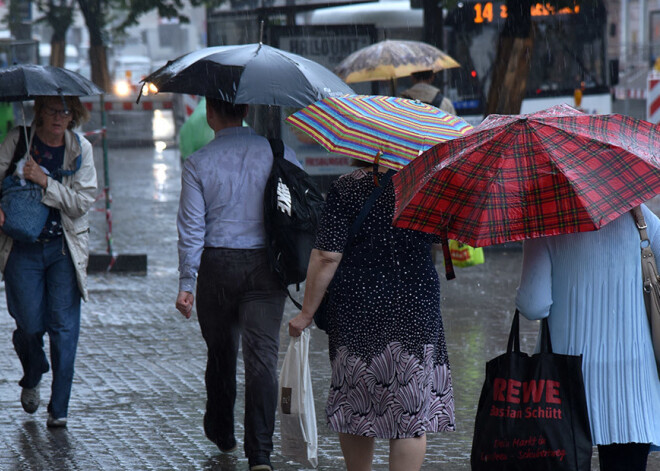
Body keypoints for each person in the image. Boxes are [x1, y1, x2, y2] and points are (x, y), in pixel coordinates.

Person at [288, 160, 455, 471]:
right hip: (415, 302)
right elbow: (441, 236)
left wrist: (306, 312)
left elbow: (326, 255)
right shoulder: (425, 182)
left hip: (359, 305)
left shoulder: (347, 187)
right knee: (409, 413)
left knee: (356, 404)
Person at [175, 97, 301, 471]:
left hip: (216, 267)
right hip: (266, 267)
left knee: (221, 350)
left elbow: (191, 229)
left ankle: (221, 429)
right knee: (262, 359)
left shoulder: (197, 163)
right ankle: (260, 453)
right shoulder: (280, 152)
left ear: (210, 114)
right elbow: (297, 209)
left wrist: (187, 281)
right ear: (247, 111)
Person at [516, 207, 660, 471]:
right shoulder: (641, 218)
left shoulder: (544, 223)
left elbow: (533, 306)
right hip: (633, 383)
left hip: (566, 381)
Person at [0, 95, 97, 428]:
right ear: (39, 112)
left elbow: (82, 202)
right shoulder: (18, 140)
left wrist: (46, 182)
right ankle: (34, 370)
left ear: (74, 115)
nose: (59, 117)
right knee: (28, 324)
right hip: (21, 248)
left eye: (66, 111)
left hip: (62, 249)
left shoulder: (80, 149)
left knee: (64, 329)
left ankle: (59, 408)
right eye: (52, 110)